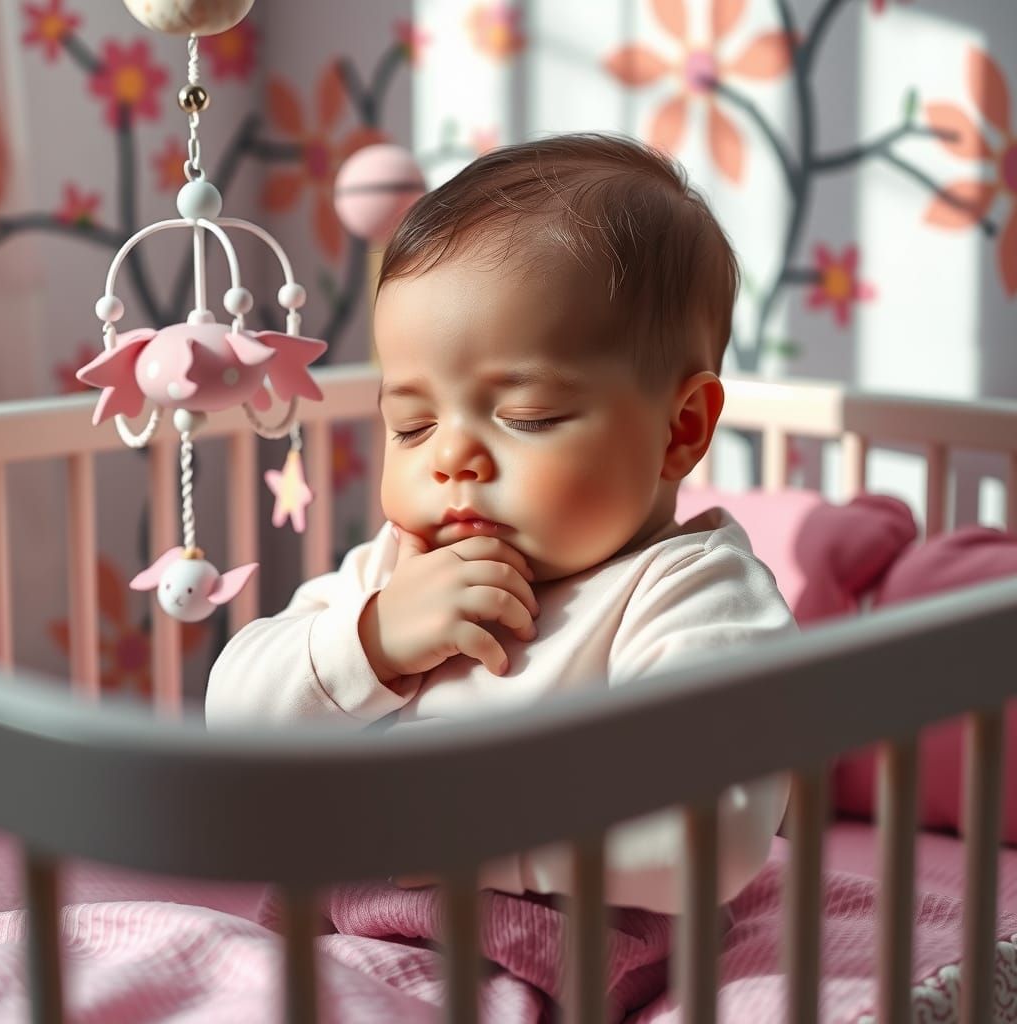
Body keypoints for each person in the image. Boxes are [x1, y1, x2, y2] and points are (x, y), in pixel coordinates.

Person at [206, 133, 795, 914]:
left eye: (528, 415)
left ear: (680, 429)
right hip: (333, 944)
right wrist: (372, 641)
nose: (450, 456)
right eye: (411, 426)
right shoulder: (393, 571)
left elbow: (707, 827)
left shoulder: (687, 593)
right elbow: (233, 716)